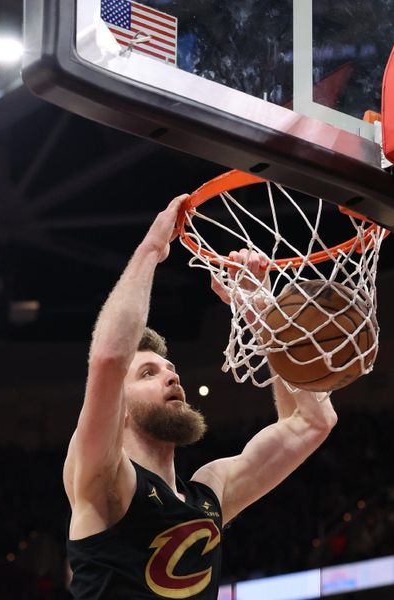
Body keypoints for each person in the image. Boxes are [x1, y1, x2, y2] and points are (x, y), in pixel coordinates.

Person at [64, 195, 338, 599]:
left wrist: (258, 309)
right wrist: (152, 250)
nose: (171, 375)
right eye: (148, 372)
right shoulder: (105, 480)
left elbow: (313, 422)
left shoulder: (212, 491)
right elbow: (107, 358)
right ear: (118, 410)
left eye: (170, 368)